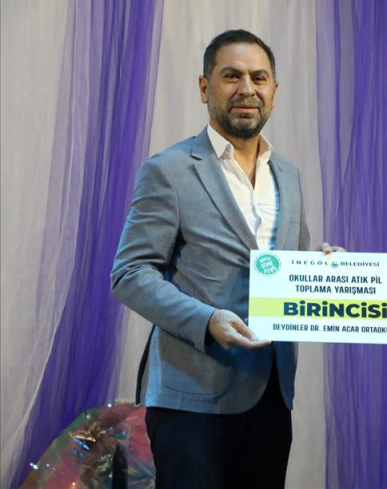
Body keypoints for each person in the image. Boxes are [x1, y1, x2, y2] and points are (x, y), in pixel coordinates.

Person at [111, 29, 340, 489]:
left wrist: (321, 266)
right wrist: (206, 319)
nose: (247, 88)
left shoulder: (289, 174)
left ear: (274, 90)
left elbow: (286, 265)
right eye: (231, 76)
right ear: (204, 87)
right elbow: (130, 273)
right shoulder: (168, 169)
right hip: (189, 397)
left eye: (259, 77)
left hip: (272, 394)